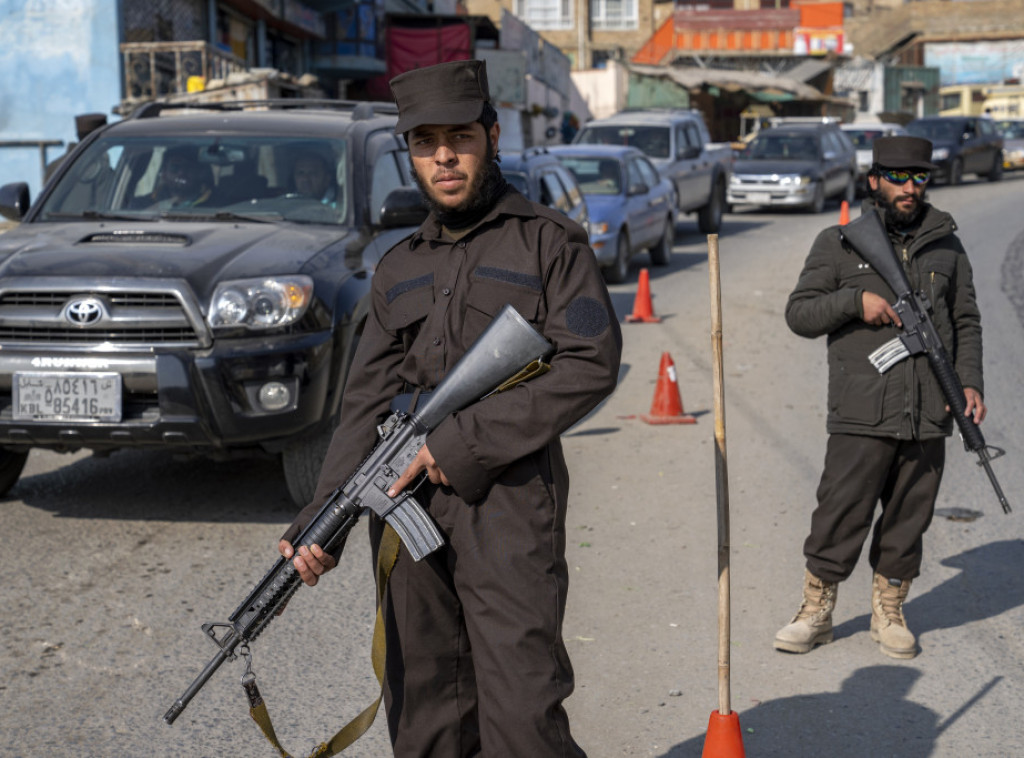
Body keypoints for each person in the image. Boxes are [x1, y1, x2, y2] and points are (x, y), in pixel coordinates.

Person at [278, 59, 622, 756]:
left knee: (522, 711)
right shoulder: (398, 265)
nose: (444, 156)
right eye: (425, 142)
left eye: (459, 137)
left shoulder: (549, 244)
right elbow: (365, 402)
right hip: (405, 510)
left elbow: (590, 363)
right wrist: (323, 522)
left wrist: (460, 442)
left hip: (509, 501)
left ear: (491, 137)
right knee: (425, 707)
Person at [774, 135, 985, 660]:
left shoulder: (946, 245)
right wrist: (854, 301)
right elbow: (800, 313)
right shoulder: (839, 242)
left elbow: (966, 321)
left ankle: (888, 609)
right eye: (897, 177)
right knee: (840, 513)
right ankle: (815, 612)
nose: (909, 188)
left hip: (929, 411)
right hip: (861, 409)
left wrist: (970, 383)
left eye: (919, 178)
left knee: (909, 518)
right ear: (874, 181)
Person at [146, 146, 213, 209]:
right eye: (175, 168)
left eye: (188, 167)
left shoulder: (216, 206)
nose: (181, 172)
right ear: (164, 174)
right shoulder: (143, 205)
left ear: (199, 173)